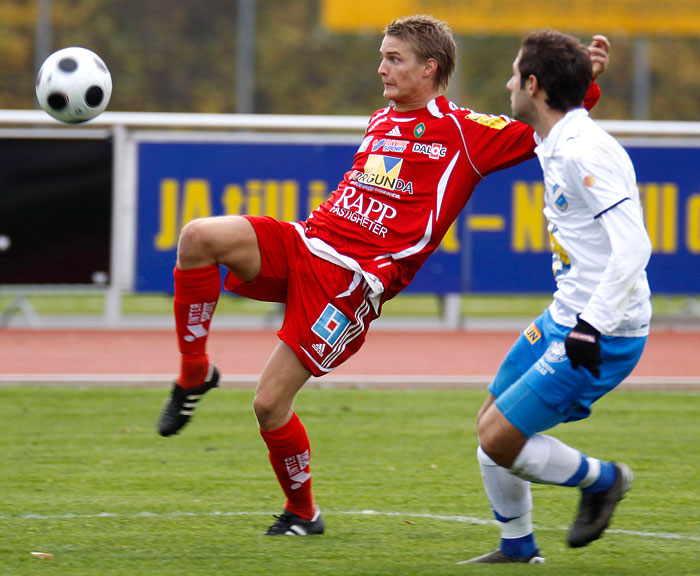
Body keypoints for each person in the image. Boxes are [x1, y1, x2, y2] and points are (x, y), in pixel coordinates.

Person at [157, 16, 610, 537]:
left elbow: (545, 126)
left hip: (349, 285)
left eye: (394, 59)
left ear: (429, 68)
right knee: (197, 236)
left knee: (268, 404)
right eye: (382, 57)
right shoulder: (381, 120)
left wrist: (585, 85)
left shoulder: (464, 131)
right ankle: (194, 372)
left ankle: (303, 514)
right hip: (308, 241)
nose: (382, 69)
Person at [462, 29, 651, 564]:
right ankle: (518, 546)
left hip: (601, 329)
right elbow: (563, 115)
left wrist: (591, 324)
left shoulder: (583, 151)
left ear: (533, 85)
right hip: (566, 314)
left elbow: (634, 245)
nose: (506, 84)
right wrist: (584, 79)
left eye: (514, 74)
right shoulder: (557, 136)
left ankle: (605, 481)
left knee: (500, 439)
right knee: (490, 423)